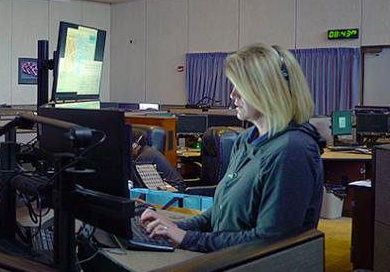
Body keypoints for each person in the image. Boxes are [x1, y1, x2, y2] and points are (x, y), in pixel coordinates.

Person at [139, 43, 324, 252]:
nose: (232, 94)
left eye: (239, 86)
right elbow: (220, 213)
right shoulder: (245, 140)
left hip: (250, 263)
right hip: (225, 256)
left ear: (268, 90)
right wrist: (175, 228)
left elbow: (270, 242)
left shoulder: (292, 151)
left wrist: (186, 239)